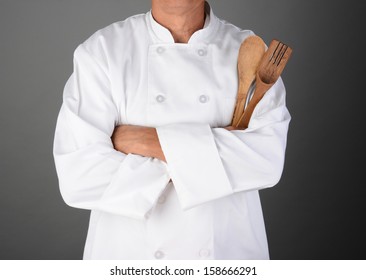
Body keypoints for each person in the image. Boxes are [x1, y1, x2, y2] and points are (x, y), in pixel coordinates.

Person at [53, 0, 290, 260]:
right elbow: (79, 176)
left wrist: (147, 142)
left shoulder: (250, 51)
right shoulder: (102, 52)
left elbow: (266, 161)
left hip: (227, 254)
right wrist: (213, 158)